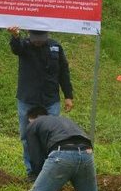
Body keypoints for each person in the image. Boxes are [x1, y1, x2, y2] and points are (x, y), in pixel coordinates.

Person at [17, 107, 108, 191]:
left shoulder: (33, 125)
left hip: (62, 154)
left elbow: (35, 157)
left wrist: (38, 177)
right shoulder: (61, 120)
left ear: (32, 118)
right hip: (86, 153)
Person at [7, 26, 74, 178]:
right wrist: (15, 36)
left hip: (50, 100)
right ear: (29, 35)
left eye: (41, 39)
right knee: (27, 136)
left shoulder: (55, 48)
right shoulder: (24, 45)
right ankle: (32, 171)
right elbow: (16, 48)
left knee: (52, 137)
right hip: (28, 99)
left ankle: (49, 171)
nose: (38, 42)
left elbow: (63, 71)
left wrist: (68, 95)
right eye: (35, 39)